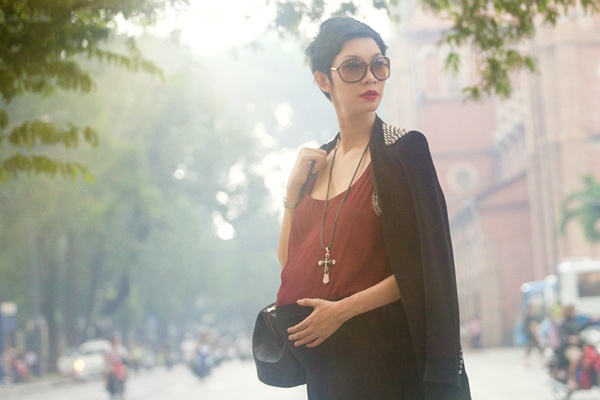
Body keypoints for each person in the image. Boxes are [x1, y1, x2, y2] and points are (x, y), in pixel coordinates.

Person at [272, 16, 471, 400]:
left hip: (390, 364)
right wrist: (291, 193)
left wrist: (341, 311)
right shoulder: (316, 165)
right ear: (323, 80)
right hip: (328, 372)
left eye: (379, 65)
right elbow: (289, 263)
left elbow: (424, 266)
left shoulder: (405, 151)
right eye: (353, 67)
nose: (370, 78)